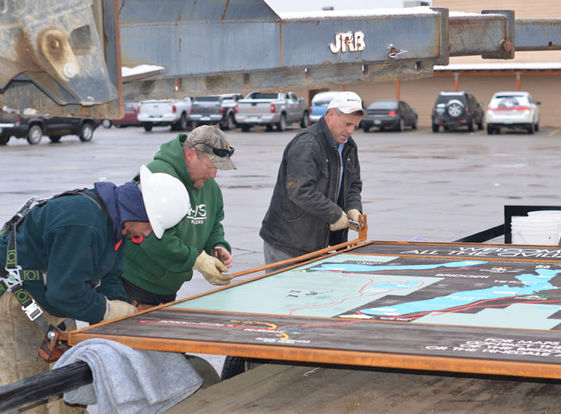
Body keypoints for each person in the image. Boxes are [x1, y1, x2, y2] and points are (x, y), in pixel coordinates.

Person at [0, 166, 190, 413]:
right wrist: (107, 311)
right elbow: (64, 293)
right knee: (25, 395)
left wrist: (122, 315)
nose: (147, 234)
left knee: (67, 394)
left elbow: (108, 276)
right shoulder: (84, 222)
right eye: (150, 226)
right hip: (16, 299)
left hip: (51, 295)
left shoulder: (116, 223)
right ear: (138, 211)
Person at [121, 125, 236, 307]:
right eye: (210, 166)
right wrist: (196, 258)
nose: (214, 174)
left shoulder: (208, 185)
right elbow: (154, 237)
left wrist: (217, 246)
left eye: (218, 168)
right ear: (191, 154)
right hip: (135, 284)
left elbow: (213, 222)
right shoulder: (157, 176)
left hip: (168, 287)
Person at [259, 91, 364, 265]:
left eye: (355, 126)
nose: (351, 131)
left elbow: (353, 184)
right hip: (288, 245)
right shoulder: (308, 144)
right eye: (347, 124)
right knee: (284, 292)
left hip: (320, 245)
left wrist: (353, 207)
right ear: (331, 114)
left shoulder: (348, 147)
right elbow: (301, 190)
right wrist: (335, 214)